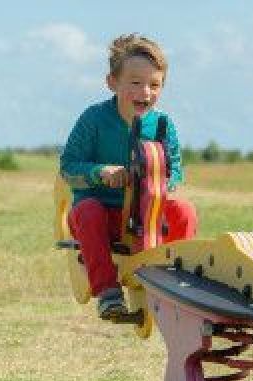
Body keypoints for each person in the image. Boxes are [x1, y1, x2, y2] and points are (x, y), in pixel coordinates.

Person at [59, 33, 197, 319]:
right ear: (112, 82)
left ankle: (174, 285)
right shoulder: (93, 119)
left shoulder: (163, 124)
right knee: (87, 210)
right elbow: (69, 167)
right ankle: (108, 293)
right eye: (135, 83)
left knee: (184, 211)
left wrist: (157, 183)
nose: (145, 92)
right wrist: (100, 172)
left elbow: (175, 171)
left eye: (154, 85)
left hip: (146, 215)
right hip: (103, 217)